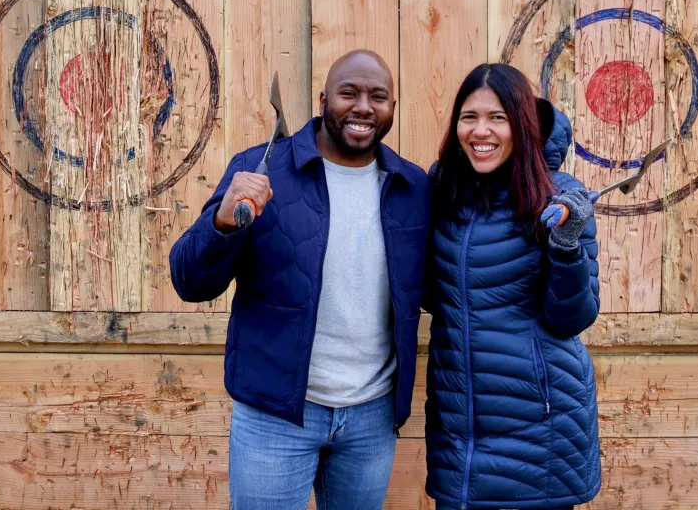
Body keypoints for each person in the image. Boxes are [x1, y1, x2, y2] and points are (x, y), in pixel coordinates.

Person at [169, 49, 431, 510]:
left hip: (372, 416)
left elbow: (435, 286)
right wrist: (222, 225)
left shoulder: (411, 187)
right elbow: (190, 281)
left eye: (379, 97)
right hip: (276, 413)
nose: (363, 107)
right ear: (323, 98)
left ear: (393, 107)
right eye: (348, 93)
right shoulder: (260, 169)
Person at [422, 63, 601, 510]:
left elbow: (571, 318)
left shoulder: (557, 197)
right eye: (470, 117)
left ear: (520, 123)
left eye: (497, 118)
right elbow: (429, 293)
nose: (481, 131)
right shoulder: (442, 193)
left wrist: (565, 246)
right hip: (459, 432)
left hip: (539, 432)